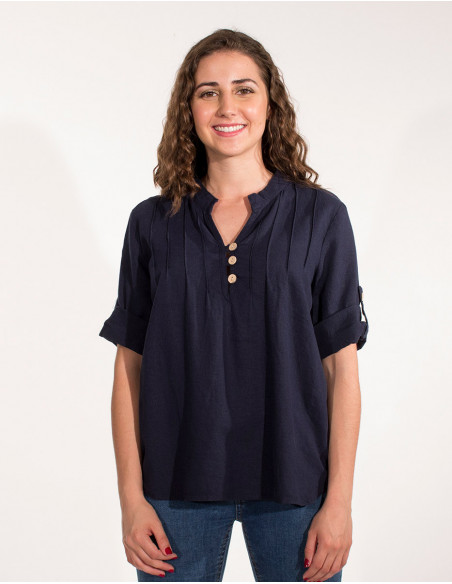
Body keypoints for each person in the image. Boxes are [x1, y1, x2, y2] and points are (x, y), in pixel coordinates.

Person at [99, 28, 369, 583]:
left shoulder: (322, 218)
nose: (228, 108)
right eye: (209, 92)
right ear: (189, 108)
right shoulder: (151, 223)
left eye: (244, 89)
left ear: (270, 104)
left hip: (296, 484)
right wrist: (131, 499)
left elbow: (341, 370)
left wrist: (339, 502)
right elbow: (129, 368)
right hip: (174, 486)